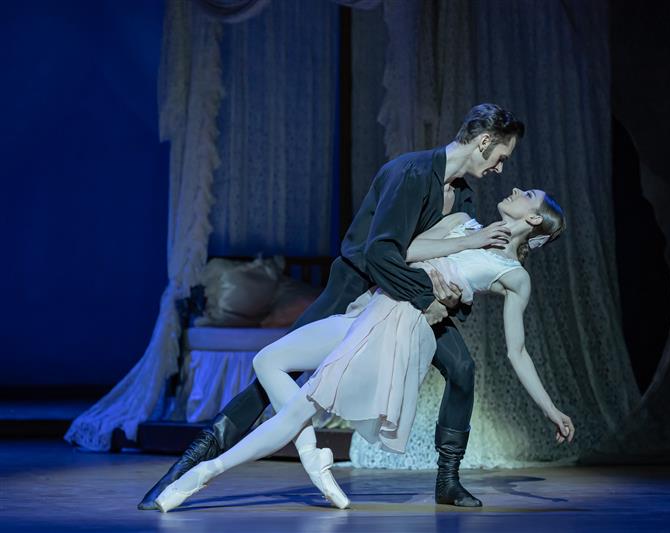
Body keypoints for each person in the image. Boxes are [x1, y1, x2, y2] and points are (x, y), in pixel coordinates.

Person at [139, 103, 524, 510]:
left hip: (406, 304)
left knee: (462, 368)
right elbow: (380, 254)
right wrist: (428, 295)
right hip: (357, 290)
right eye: (501, 157)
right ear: (484, 141)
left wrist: (456, 289)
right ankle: (183, 468)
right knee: (273, 374)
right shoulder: (410, 172)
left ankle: (448, 480)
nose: (500, 168)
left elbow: (450, 258)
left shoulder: (463, 195)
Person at [154, 187, 574, 512]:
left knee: (300, 408)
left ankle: (201, 476)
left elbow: (517, 352)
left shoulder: (514, 275)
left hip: (401, 327)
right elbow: (403, 251)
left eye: (527, 195)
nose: (515, 190)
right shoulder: (464, 222)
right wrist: (471, 240)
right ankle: (313, 456)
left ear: (534, 218)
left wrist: (551, 409)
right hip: (372, 307)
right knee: (268, 359)